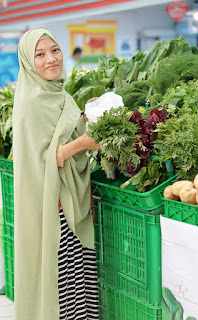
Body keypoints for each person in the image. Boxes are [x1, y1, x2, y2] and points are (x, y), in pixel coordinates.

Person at [13, 28, 100, 320]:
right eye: (40, 54)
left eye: (55, 50)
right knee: (61, 281)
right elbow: (45, 160)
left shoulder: (61, 94)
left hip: (70, 202)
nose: (51, 59)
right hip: (53, 207)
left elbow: (62, 137)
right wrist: (83, 143)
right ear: (28, 61)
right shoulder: (30, 103)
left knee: (77, 278)